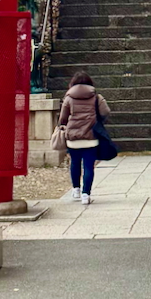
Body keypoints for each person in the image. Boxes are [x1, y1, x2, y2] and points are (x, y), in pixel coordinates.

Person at [58, 70, 112, 205]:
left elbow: (63, 118)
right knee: (89, 166)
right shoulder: (96, 97)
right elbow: (106, 111)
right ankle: (86, 194)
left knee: (75, 163)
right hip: (91, 136)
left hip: (73, 137)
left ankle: (76, 189)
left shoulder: (69, 98)